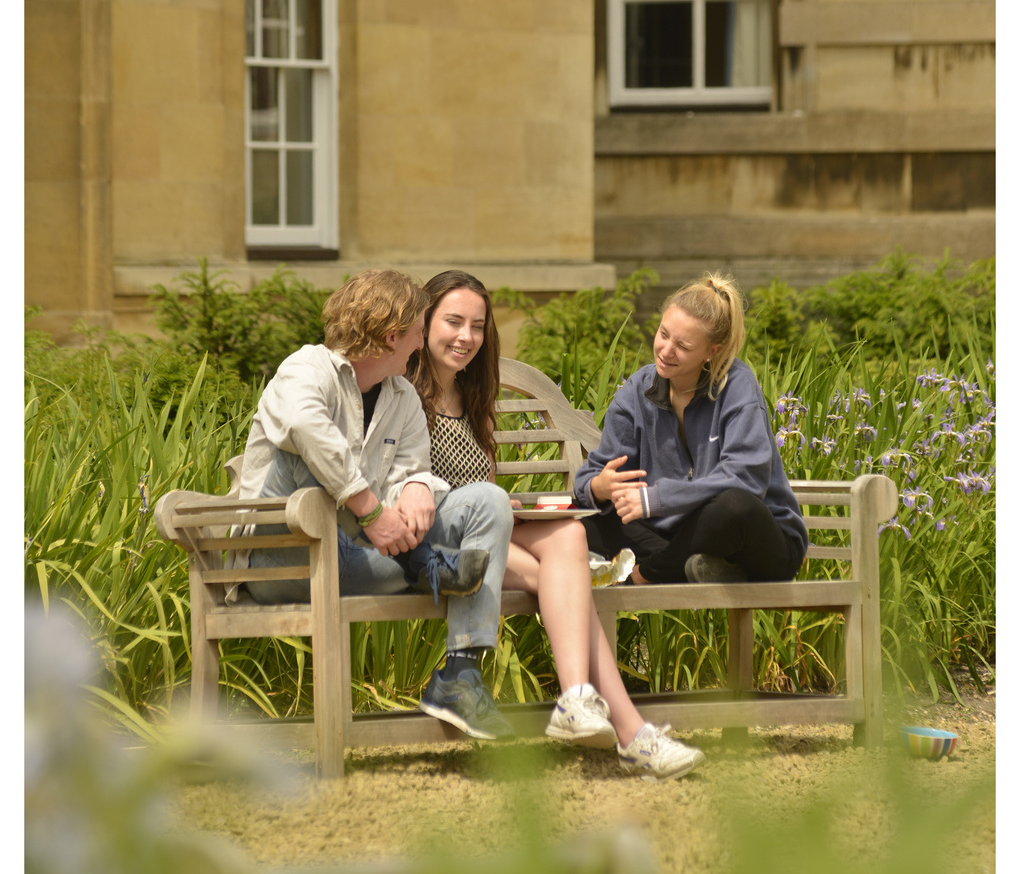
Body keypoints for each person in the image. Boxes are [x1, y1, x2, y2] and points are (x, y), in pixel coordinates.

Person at [406, 269, 706, 782]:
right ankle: (630, 731)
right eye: (453, 322)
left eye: (478, 326)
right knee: (565, 580)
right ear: (425, 321)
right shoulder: (403, 395)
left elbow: (482, 490)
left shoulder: (471, 395)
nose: (466, 337)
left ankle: (577, 699)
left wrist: (523, 507)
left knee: (568, 534)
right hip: (430, 543)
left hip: (481, 530)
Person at [237, 268, 515, 741]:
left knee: (488, 500)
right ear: (391, 336)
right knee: (301, 453)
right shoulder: (306, 369)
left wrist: (418, 486)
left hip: (365, 560)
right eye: (416, 333)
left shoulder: (402, 396)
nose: (419, 344)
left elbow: (409, 470)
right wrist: (369, 509)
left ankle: (460, 677)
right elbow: (307, 429)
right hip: (284, 559)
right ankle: (428, 563)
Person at [575, 273, 808, 588]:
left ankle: (647, 575)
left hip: (755, 542)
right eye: (663, 334)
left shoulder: (737, 384)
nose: (666, 350)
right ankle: (703, 568)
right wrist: (599, 487)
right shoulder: (636, 390)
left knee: (732, 507)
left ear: (712, 351)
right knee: (582, 522)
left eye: (682, 345)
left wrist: (656, 499)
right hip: (677, 538)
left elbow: (746, 479)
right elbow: (590, 478)